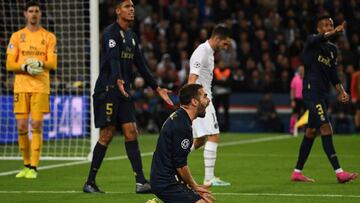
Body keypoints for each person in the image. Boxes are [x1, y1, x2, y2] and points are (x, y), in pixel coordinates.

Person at [83, 0, 173, 194]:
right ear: (117, 11)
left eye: (132, 6)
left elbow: (141, 64)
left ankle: (140, 182)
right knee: (106, 135)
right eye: (126, 6)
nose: (131, 9)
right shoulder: (110, 33)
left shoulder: (131, 36)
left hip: (123, 91)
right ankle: (90, 182)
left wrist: (157, 88)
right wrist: (117, 79)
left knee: (131, 132)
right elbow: (113, 58)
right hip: (108, 90)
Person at [291, 16, 358, 183]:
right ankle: (339, 172)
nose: (329, 27)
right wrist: (333, 31)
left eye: (331, 25)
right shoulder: (311, 41)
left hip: (323, 94)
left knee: (311, 132)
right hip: (311, 93)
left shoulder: (333, 50)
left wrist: (341, 91)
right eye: (326, 25)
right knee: (326, 128)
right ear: (319, 28)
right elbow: (318, 38)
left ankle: (297, 172)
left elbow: (333, 75)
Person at [6, 1, 57, 179]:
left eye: (36, 11)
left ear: (40, 14)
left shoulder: (49, 37)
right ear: (25, 14)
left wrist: (40, 63)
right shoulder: (17, 37)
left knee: (36, 125)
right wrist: (26, 67)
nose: (33, 14)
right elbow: (9, 64)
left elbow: (52, 63)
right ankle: (26, 164)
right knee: (21, 126)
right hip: (21, 86)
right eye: (30, 11)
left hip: (40, 87)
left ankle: (34, 167)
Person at [150, 84, 215, 203]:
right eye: (205, 96)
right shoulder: (182, 126)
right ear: (194, 102)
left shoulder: (181, 118)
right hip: (166, 183)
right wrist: (195, 186)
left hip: (168, 180)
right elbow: (180, 165)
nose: (208, 100)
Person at [188, 25, 231, 186]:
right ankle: (209, 178)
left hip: (202, 99)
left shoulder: (210, 53)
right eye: (225, 43)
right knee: (214, 135)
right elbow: (192, 79)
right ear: (217, 39)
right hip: (201, 101)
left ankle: (174, 162)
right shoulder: (202, 52)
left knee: (199, 141)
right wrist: (191, 103)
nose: (225, 47)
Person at [289, 65, 305, 135]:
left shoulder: (307, 79)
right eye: (300, 70)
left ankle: (304, 129)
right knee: (295, 114)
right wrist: (292, 100)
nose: (301, 71)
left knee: (305, 115)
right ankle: (292, 129)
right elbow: (292, 90)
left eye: (302, 70)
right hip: (297, 99)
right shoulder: (295, 79)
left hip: (305, 99)